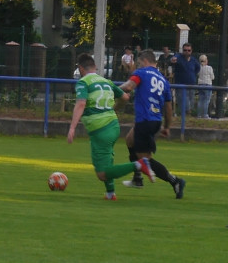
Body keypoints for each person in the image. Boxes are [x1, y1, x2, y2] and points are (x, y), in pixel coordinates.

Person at [67, 53, 153, 201]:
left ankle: (139, 165)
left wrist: (72, 127)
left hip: (100, 129)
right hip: (113, 125)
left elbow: (81, 103)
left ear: (81, 69)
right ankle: (110, 193)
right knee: (107, 161)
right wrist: (113, 108)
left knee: (102, 173)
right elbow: (125, 97)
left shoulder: (83, 82)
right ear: (95, 67)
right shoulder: (106, 81)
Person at [120, 49, 185, 198]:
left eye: (139, 62)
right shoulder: (163, 80)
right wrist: (167, 127)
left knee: (145, 159)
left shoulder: (141, 73)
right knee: (130, 140)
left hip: (145, 120)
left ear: (143, 61)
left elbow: (129, 86)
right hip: (156, 120)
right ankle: (137, 178)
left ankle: (175, 181)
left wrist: (113, 89)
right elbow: (169, 108)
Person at [170, 42, 200, 116]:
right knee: (184, 103)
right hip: (181, 85)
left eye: (188, 50)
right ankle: (186, 116)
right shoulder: (179, 57)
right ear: (182, 50)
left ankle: (187, 117)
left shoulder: (193, 60)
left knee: (191, 102)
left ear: (191, 51)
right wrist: (172, 59)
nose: (187, 52)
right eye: (185, 50)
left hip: (191, 85)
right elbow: (173, 59)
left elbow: (198, 68)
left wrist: (192, 75)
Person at [196, 54, 214, 118]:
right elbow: (212, 77)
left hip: (200, 84)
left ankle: (199, 115)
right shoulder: (209, 68)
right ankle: (205, 114)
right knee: (206, 100)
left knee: (200, 100)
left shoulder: (199, 68)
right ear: (206, 60)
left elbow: (198, 74)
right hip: (208, 84)